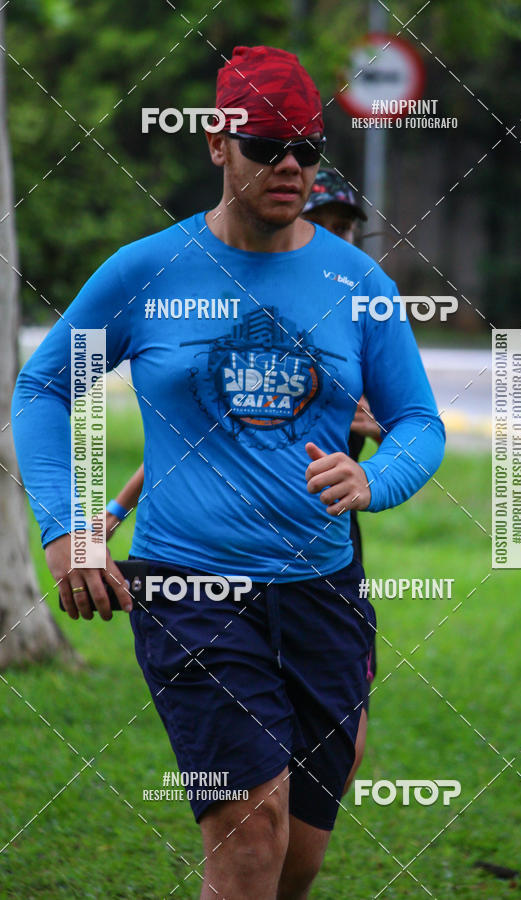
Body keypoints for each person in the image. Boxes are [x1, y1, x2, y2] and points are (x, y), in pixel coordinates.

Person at [12, 46, 445, 900]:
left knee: (296, 863)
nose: (289, 165)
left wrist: (376, 479)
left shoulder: (356, 281)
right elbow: (42, 388)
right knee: (252, 838)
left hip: (323, 592)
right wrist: (67, 528)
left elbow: (420, 423)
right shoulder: (146, 272)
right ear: (218, 143)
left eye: (307, 150)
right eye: (265, 144)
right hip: (190, 589)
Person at [105, 169, 380, 795]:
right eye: (327, 221)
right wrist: (114, 513)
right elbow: (193, 444)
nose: (335, 235)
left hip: (325, 553)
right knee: (254, 794)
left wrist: (373, 448)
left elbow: (415, 426)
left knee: (343, 748)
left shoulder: (354, 307)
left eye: (346, 228)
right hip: (206, 566)